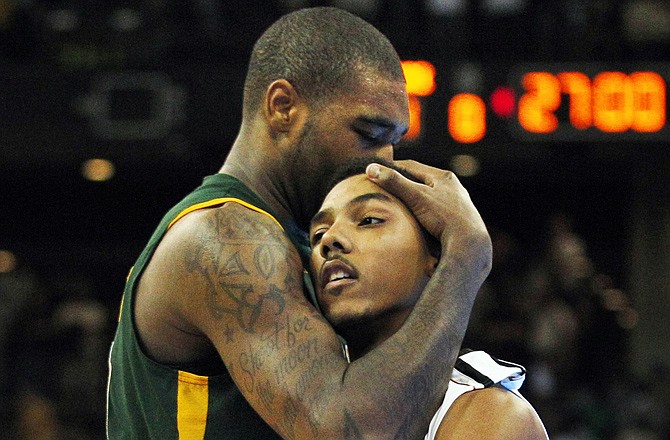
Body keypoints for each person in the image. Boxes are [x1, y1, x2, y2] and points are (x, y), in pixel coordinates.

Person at [107, 6, 493, 439]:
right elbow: (348, 431)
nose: (384, 162)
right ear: (283, 107)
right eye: (368, 133)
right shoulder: (227, 236)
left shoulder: (294, 240)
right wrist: (466, 257)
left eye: (394, 141)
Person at [308, 158, 549, 440]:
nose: (330, 240)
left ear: (436, 259)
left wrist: (467, 250)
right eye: (318, 234)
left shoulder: (491, 415)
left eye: (369, 220)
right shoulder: (294, 390)